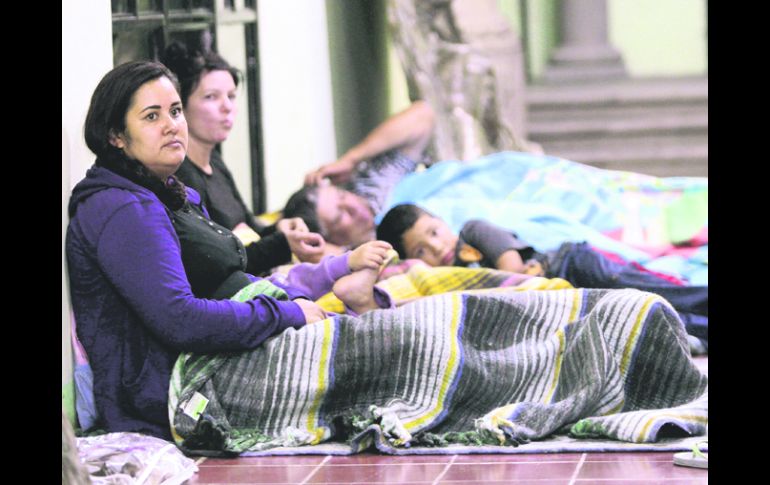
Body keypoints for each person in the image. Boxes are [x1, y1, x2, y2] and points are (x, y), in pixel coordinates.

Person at [66, 61, 391, 439]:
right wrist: (286, 313)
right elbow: (180, 320)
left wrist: (295, 297)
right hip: (178, 392)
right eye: (152, 116)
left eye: (175, 111)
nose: (172, 125)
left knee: (384, 342)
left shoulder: (166, 192)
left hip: (218, 357)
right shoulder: (123, 209)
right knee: (389, 359)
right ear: (115, 136)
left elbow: (223, 272)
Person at [376, 204, 708, 345]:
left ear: (443, 223)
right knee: (647, 313)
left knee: (650, 290)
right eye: (421, 250)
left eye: (434, 232)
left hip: (572, 265)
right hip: (571, 297)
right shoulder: (448, 280)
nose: (436, 247)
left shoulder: (472, 232)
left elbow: (513, 270)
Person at [161, 42, 325, 273]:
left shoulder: (214, 160)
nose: (227, 107)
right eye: (211, 97)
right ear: (180, 107)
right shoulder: (181, 176)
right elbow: (217, 261)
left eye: (231, 96)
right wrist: (283, 244)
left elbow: (249, 226)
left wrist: (282, 228)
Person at [283, 100, 436, 251]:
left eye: (342, 196)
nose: (352, 206)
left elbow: (422, 115)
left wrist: (351, 159)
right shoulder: (372, 253)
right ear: (330, 241)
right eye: (339, 216)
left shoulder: (370, 187)